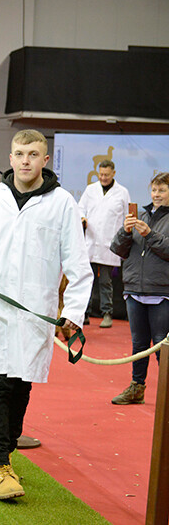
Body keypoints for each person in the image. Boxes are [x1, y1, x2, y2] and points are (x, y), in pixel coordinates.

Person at [0, 129, 92, 501]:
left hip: (35, 312)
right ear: (10, 158)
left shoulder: (62, 203)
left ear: (45, 160)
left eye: (33, 154)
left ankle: (4, 454)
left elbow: (78, 263)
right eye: (19, 153)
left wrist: (72, 310)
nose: (25, 160)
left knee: (21, 385)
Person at [109, 172, 169, 405]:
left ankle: (165, 392)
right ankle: (137, 387)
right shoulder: (139, 215)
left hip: (162, 291)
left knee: (162, 344)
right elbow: (117, 249)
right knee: (139, 344)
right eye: (154, 189)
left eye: (162, 190)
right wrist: (125, 231)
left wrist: (149, 235)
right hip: (134, 289)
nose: (156, 194)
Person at [78, 160, 130, 327]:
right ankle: (84, 313)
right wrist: (82, 218)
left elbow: (127, 217)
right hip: (90, 243)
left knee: (106, 282)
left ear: (113, 173)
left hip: (109, 244)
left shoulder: (122, 192)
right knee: (87, 280)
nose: (103, 177)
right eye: (101, 174)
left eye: (106, 175)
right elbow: (80, 208)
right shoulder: (90, 190)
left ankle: (107, 313)